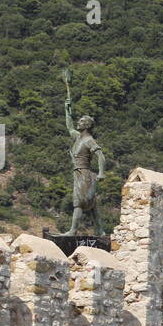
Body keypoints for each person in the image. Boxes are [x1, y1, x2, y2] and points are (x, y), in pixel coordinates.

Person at [64, 99, 107, 236]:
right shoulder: (78, 137)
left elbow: (101, 156)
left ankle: (73, 230)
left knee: (79, 201)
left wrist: (101, 173)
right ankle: (100, 229)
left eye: (82, 121)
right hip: (78, 173)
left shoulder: (89, 140)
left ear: (87, 125)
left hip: (85, 173)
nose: (79, 123)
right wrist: (67, 110)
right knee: (91, 202)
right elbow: (69, 127)